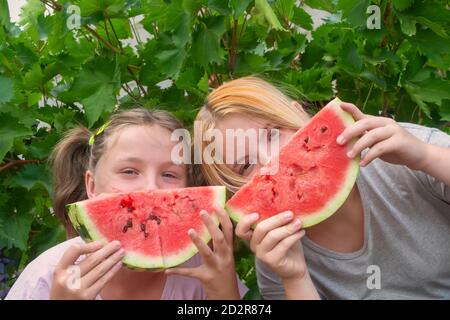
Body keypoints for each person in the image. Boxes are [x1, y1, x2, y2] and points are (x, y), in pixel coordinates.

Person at [195, 76, 450, 299]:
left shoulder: (398, 152)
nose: (271, 160)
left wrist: (426, 157)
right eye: (247, 165)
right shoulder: (276, 256)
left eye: (272, 134)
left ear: (299, 115)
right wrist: (295, 277)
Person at [6, 108, 247, 300]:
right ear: (91, 185)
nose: (151, 188)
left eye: (169, 174)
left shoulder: (205, 273)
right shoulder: (46, 278)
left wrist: (225, 297)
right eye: (130, 171)